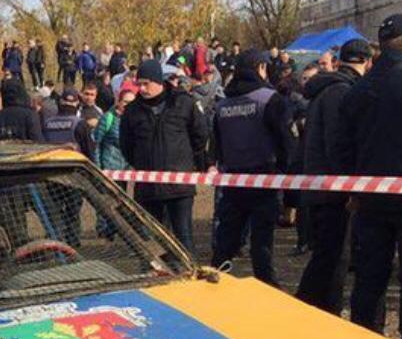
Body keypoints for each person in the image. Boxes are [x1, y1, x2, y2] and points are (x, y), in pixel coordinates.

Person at [335, 14, 402, 339]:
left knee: (370, 277)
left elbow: (342, 147)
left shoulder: (358, 90)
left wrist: (353, 189)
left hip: (370, 199)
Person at [295, 39, 373, 313]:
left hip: (319, 185)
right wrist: (350, 188)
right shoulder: (342, 93)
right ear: (368, 62)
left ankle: (312, 309)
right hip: (332, 190)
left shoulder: (326, 91)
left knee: (326, 256)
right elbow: (338, 145)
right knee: (332, 259)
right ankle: (319, 313)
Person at [211, 49, 296, 286]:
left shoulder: (223, 104)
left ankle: (212, 287)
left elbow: (217, 145)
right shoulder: (270, 100)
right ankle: (267, 290)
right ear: (261, 68)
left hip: (233, 182)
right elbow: (286, 145)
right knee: (262, 245)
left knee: (225, 243)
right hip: (264, 180)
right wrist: (288, 185)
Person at [119, 58, 209, 252]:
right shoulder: (132, 111)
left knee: (183, 237)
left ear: (158, 81)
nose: (142, 88)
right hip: (148, 188)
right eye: (139, 84)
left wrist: (184, 160)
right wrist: (143, 165)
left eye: (146, 83)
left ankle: (188, 277)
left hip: (179, 186)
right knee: (153, 242)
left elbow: (200, 134)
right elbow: (126, 145)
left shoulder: (182, 102)